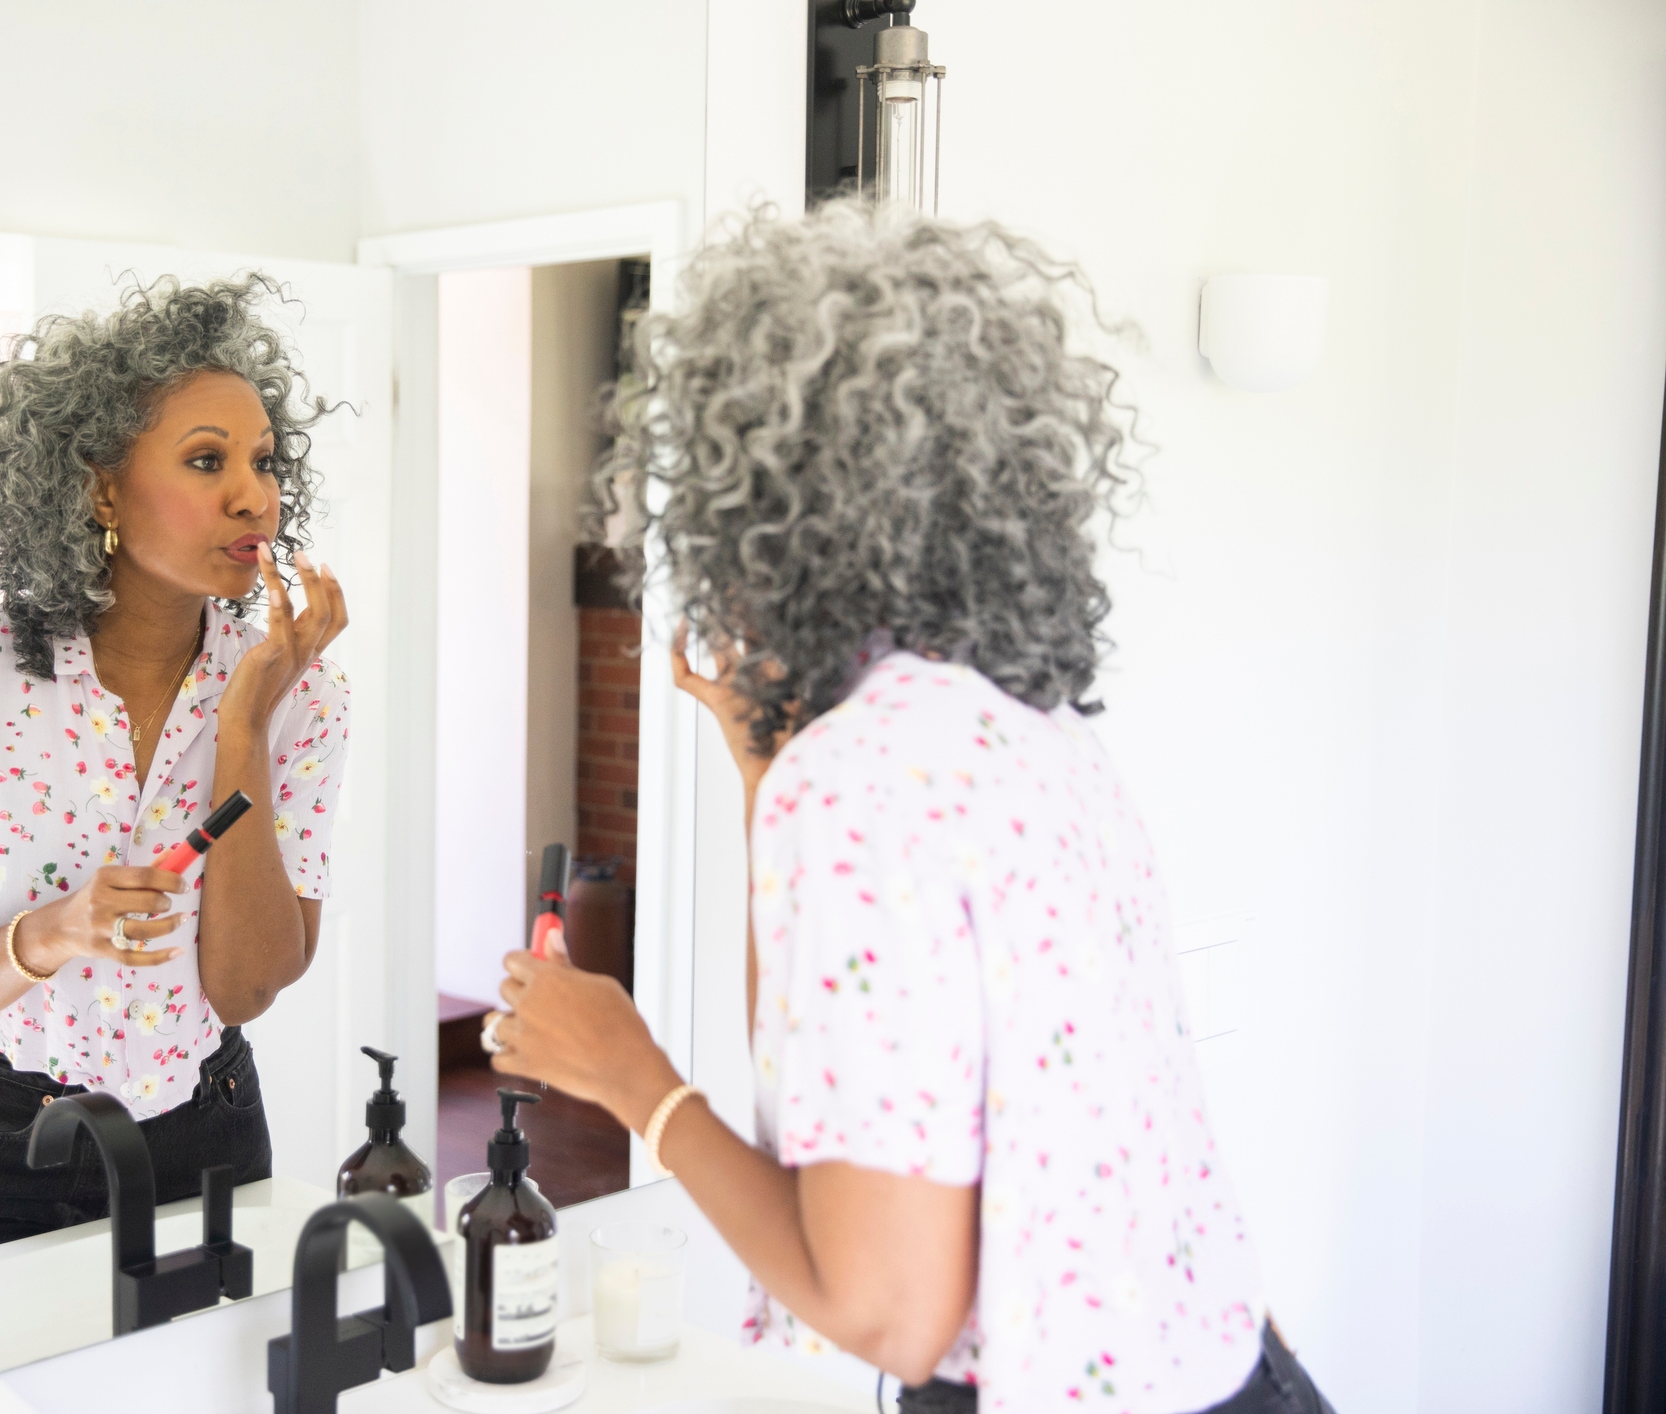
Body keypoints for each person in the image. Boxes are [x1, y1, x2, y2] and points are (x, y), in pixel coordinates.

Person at [483, 204, 1333, 1413]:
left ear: (761, 496)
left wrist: (632, 1080)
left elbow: (889, 1308)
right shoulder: (1022, 727)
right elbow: (827, 1076)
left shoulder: (860, 779)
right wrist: (750, 756)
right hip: (1246, 1373)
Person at [0, 276, 349, 1275]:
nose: (254, 494)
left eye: (262, 460)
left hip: (202, 1144)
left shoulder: (302, 694)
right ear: (102, 488)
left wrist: (242, 726)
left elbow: (246, 987)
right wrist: (53, 933)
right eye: (207, 461)